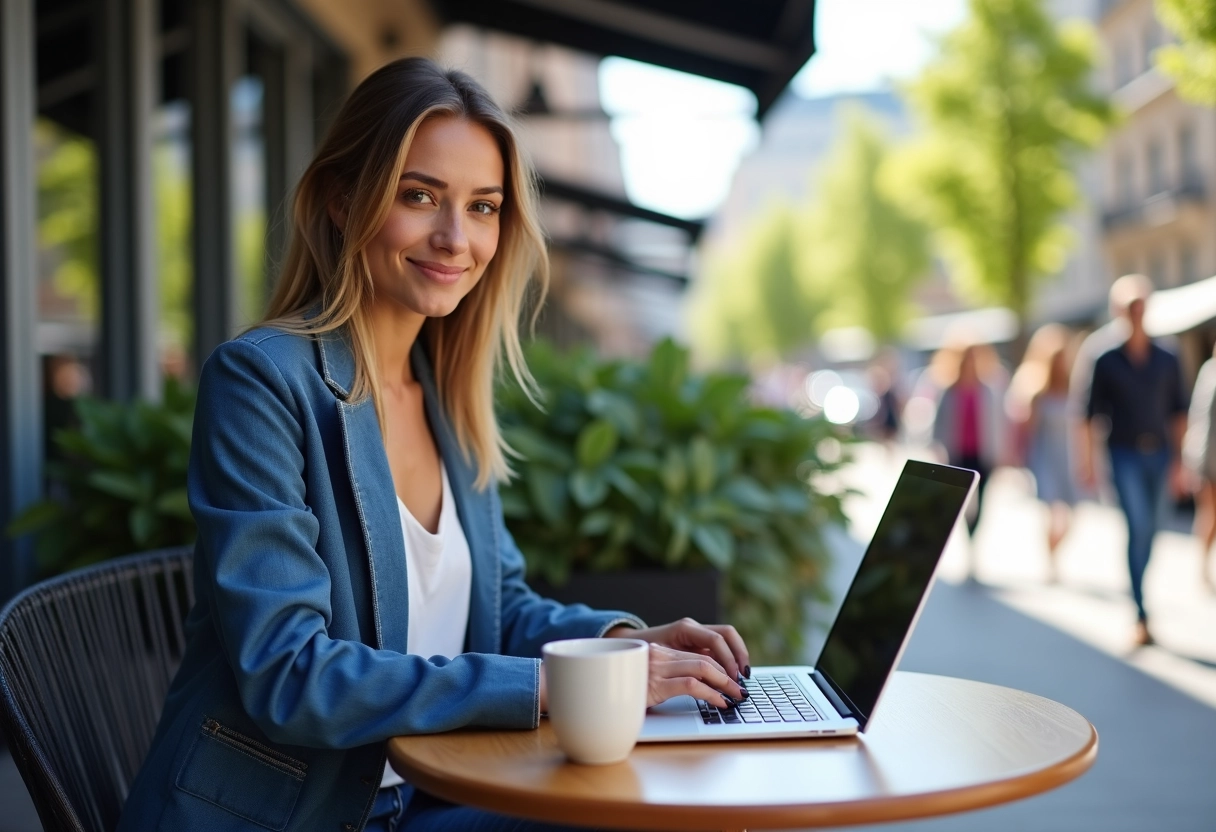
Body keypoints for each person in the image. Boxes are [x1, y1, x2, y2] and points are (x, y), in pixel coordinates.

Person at [117, 58, 751, 832]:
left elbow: (499, 608)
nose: (456, 238)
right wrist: (558, 685)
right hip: (281, 817)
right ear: (343, 201)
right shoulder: (261, 382)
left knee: (672, 809)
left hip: (411, 803)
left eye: (483, 207)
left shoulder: (444, 393)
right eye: (420, 196)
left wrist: (624, 645)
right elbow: (290, 675)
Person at [1078, 274, 1189, 647]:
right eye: (1130, 307)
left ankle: (1142, 594)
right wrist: (1089, 462)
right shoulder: (1105, 358)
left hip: (1160, 454)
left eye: (1141, 306)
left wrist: (1180, 461)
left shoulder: (1168, 356)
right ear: (1118, 311)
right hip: (1123, 453)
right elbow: (1089, 415)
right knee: (1137, 525)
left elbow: (1179, 412)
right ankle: (1140, 611)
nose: (1137, 314)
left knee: (1155, 528)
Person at [930, 341, 1007, 573]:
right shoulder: (950, 391)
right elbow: (938, 424)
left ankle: (974, 545)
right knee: (963, 503)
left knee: (981, 503)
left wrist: (1001, 454)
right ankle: (967, 541)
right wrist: (938, 450)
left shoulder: (987, 390)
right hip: (958, 454)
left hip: (982, 455)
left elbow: (997, 424)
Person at [1008, 324, 1077, 581]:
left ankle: (1054, 553)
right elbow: (1026, 430)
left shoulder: (1074, 388)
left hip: (1069, 458)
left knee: (1071, 517)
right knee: (1052, 512)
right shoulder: (1037, 390)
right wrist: (1017, 461)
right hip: (1045, 457)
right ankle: (1050, 562)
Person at [1183, 341, 1216, 593]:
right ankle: (1202, 566)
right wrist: (1195, 463)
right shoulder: (1210, 373)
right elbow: (1201, 420)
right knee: (1210, 515)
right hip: (1209, 461)